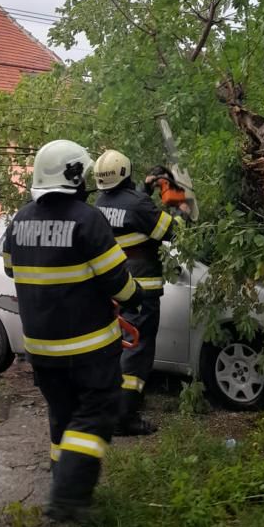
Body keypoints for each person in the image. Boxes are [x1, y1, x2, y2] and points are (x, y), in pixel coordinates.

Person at [2, 139, 146, 522]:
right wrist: (137, 296)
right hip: (89, 349)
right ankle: (68, 498)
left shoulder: (19, 220)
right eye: (81, 174)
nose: (86, 181)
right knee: (97, 413)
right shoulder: (87, 219)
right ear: (70, 176)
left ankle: (60, 478)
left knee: (61, 416)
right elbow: (119, 283)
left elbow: (11, 269)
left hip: (41, 350)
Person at [93, 150, 178, 436]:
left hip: (109, 288)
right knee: (137, 350)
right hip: (142, 289)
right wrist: (176, 201)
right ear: (126, 172)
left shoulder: (98, 203)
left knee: (118, 347)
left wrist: (146, 188)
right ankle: (124, 417)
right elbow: (172, 232)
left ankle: (113, 405)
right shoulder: (138, 205)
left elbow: (127, 214)